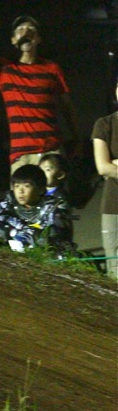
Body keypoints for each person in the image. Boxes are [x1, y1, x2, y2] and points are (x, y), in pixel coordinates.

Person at [0, 15, 78, 172]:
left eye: (31, 30)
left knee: (56, 196)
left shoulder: (52, 68)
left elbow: (66, 105)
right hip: (22, 155)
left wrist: (76, 138)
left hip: (52, 150)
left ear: (38, 39)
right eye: (20, 30)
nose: (26, 32)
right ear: (13, 40)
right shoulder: (5, 69)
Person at [0, 165, 72, 252]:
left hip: (41, 253)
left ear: (41, 189)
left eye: (26, 186)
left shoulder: (50, 208)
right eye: (17, 186)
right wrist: (10, 232)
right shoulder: (8, 204)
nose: (20, 191)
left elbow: (58, 237)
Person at [92, 79, 118, 279]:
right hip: (114, 206)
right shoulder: (105, 124)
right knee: (116, 269)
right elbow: (103, 167)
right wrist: (111, 165)